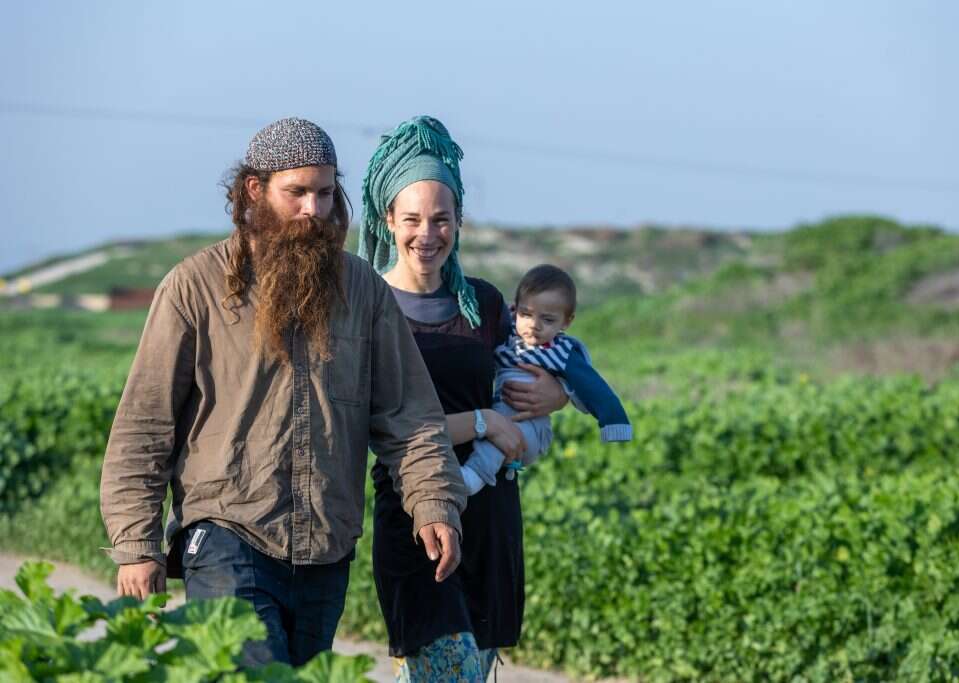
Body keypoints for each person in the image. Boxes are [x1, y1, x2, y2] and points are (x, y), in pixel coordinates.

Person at [99, 117, 467, 667]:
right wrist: (136, 545)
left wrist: (434, 502)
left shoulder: (362, 290)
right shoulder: (195, 287)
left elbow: (409, 414)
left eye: (325, 193)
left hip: (326, 547)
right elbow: (145, 425)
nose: (314, 210)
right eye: (296, 192)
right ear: (255, 191)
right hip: (226, 534)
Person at [359, 115, 570, 682]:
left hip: (490, 516)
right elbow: (380, 427)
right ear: (387, 220)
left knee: (468, 672)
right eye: (412, 219)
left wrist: (556, 395)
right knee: (446, 668)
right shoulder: (369, 304)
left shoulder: (484, 302)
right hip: (413, 515)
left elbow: (526, 378)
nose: (427, 235)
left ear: (459, 221)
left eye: (441, 219)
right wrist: (482, 423)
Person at [460, 263, 632, 494]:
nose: (534, 325)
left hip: (532, 427)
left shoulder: (560, 351)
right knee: (490, 435)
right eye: (526, 314)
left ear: (567, 322)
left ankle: (471, 479)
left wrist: (613, 422)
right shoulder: (508, 334)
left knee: (494, 443)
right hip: (500, 415)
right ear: (516, 309)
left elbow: (592, 387)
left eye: (548, 320)